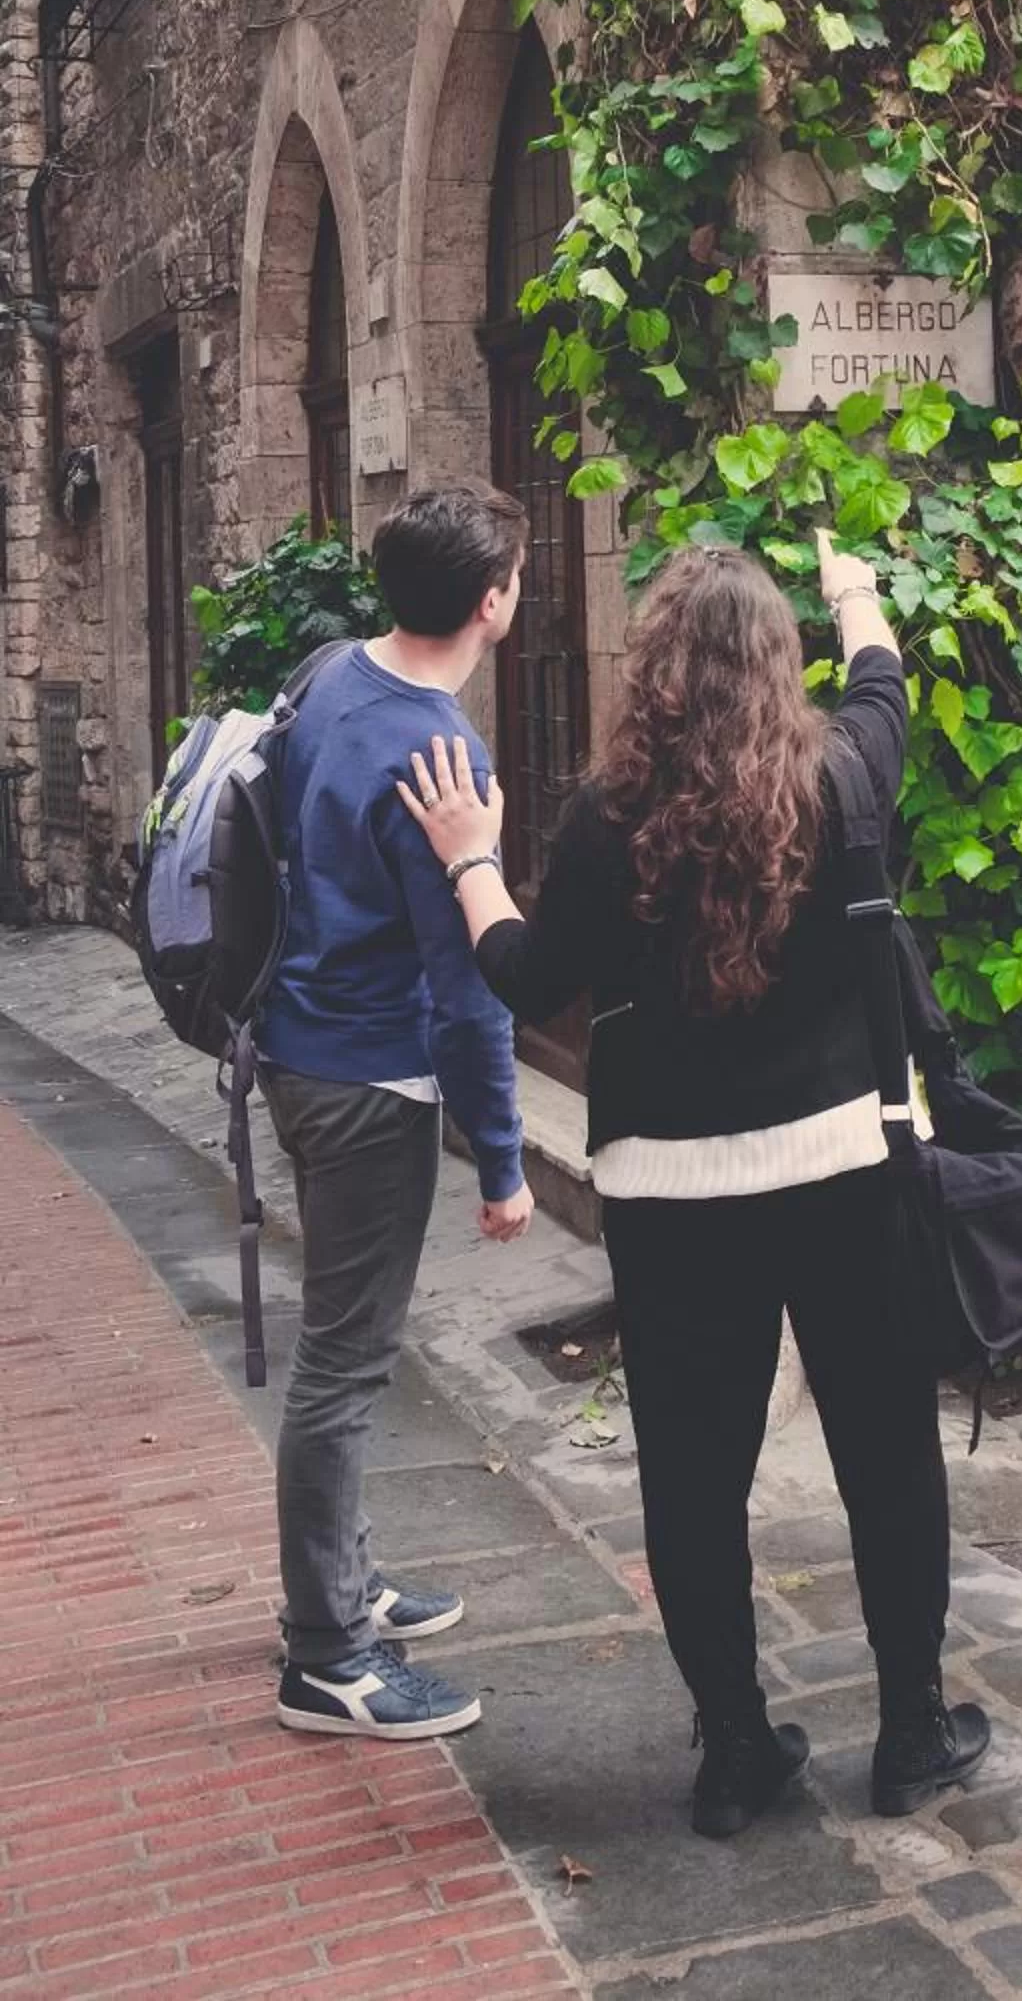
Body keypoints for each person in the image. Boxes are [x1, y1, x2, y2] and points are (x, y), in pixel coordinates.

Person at [397, 529, 991, 1838]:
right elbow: (884, 688)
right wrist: (858, 594)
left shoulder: (609, 823)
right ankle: (910, 1735)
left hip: (673, 1201)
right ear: (778, 663)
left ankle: (736, 1752)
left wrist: (469, 859)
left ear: (656, 667)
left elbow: (532, 979)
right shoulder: (839, 779)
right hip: (843, 1171)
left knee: (694, 1476)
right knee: (888, 1456)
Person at [259, 480, 536, 1743]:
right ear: (493, 601)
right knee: (344, 1360)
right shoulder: (442, 757)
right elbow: (469, 982)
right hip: (368, 1075)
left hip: (299, 1045)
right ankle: (326, 1654)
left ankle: (346, 1578)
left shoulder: (330, 674)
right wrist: (501, 1158)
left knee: (341, 1347)